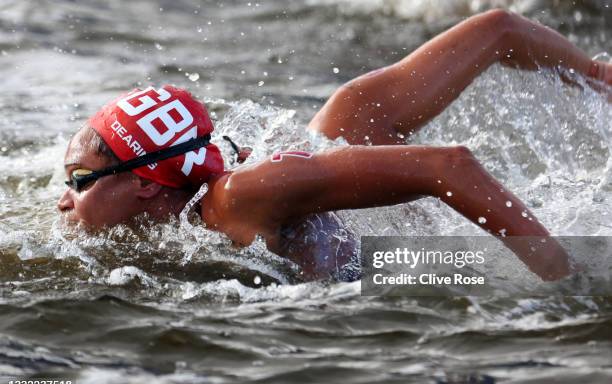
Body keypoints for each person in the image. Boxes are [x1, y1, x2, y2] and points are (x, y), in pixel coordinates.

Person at [58, 9, 611, 282]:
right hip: (346, 158)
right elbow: (498, 29)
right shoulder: (325, 139)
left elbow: (451, 164)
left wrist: (566, 283)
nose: (64, 200)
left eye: (78, 181)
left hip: (419, 258)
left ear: (144, 185)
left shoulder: (236, 198)